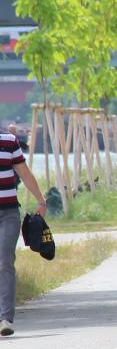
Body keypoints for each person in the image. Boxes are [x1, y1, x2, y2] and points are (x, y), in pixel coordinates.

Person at [0, 129, 47, 337]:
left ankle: (5, 318)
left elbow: (24, 173)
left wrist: (40, 199)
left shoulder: (9, 142)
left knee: (4, 260)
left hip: (8, 213)